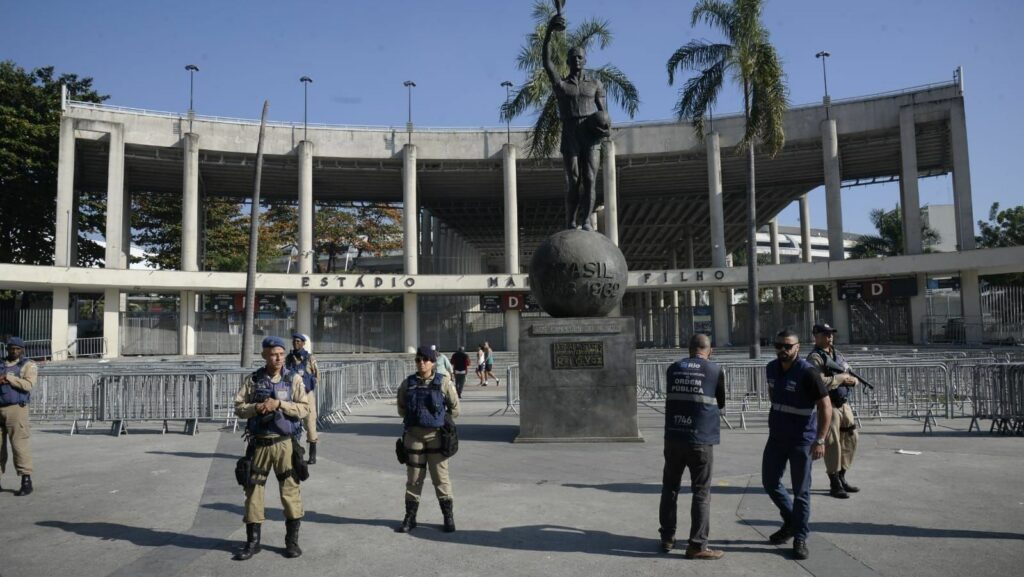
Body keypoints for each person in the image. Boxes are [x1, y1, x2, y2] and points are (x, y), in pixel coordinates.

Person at [233, 336, 310, 560]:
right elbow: (239, 407)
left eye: (281, 354)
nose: (278, 358)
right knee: (253, 492)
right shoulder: (254, 380)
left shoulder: (293, 379)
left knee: (290, 491)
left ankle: (291, 542)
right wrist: (256, 408)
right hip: (259, 444)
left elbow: (304, 409)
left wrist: (280, 404)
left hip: (285, 444)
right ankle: (253, 542)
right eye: (273, 354)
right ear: (265, 355)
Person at [761, 329, 831, 560]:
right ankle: (792, 521)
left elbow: (825, 407)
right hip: (777, 437)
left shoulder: (808, 373)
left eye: (787, 346)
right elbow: (773, 395)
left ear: (797, 347)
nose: (783, 349)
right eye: (778, 345)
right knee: (770, 482)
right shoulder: (771, 368)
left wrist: (820, 439)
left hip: (802, 440)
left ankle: (800, 536)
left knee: (801, 491)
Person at [658, 334, 726, 560]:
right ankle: (697, 545)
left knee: (670, 487)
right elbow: (721, 401)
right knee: (701, 491)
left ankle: (667, 537)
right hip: (700, 440)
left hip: (674, 437)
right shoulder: (714, 370)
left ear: (689, 350)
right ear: (710, 350)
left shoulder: (672, 368)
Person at [542, 12, 610, 231]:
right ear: (568, 61)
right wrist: (549, 32)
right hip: (570, 132)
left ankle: (586, 219)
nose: (577, 60)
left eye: (581, 57)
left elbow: (604, 112)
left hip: (591, 134)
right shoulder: (562, 86)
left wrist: (605, 128)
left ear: (585, 60)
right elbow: (547, 62)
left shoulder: (595, 84)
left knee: (590, 178)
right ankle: (571, 220)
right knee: (573, 181)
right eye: (573, 57)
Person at [395, 346, 460, 534]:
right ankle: (410, 517)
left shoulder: (444, 382)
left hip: (437, 437)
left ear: (433, 361)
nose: (421, 362)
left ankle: (448, 517)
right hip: (414, 437)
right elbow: (401, 408)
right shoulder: (408, 384)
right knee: (414, 479)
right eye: (418, 359)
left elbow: (455, 409)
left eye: (425, 359)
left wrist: (442, 421)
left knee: (441, 478)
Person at [807, 323, 860, 499]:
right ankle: (834, 481)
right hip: (828, 403)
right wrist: (841, 378)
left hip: (843, 402)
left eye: (831, 334)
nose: (830, 337)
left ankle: (843, 475)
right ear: (816, 336)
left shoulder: (837, 354)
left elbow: (849, 372)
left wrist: (853, 380)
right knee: (833, 443)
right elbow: (817, 381)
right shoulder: (815, 358)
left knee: (851, 437)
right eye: (825, 334)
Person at [0, 337, 36, 496]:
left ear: (22, 350)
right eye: (11, 348)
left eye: (17, 349)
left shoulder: (28, 365)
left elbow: (28, 385)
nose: (14, 351)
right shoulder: (1, 364)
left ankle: (26, 480)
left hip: (16, 409)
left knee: (19, 446)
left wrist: (9, 378)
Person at [286, 333, 320, 465]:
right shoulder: (289, 358)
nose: (295, 343)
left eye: (298, 341)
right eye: (294, 341)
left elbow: (317, 375)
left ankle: (312, 455)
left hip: (307, 395)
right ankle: (295, 454)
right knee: (292, 424)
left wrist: (310, 384)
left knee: (310, 423)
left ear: (303, 343)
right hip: (293, 395)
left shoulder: (309, 358)